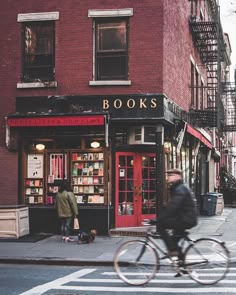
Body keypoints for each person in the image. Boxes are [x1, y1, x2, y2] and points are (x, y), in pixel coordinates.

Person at [151, 168, 197, 256]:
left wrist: (159, 219)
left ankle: (173, 250)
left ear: (177, 177)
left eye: (170, 175)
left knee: (161, 225)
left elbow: (173, 206)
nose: (168, 177)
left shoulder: (180, 189)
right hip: (184, 217)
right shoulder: (178, 187)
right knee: (174, 240)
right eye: (168, 175)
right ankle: (181, 262)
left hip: (186, 219)